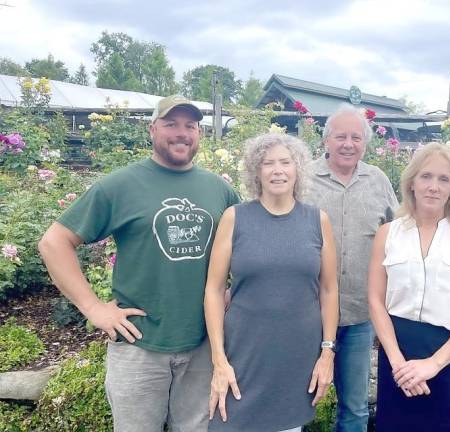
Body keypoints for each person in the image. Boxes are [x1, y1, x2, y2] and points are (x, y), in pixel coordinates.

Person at [38, 95, 240, 431]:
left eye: (190, 126)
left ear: (199, 134)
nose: (182, 133)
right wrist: (94, 308)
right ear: (152, 129)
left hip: (205, 348)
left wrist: (236, 293)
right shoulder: (121, 185)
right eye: (171, 124)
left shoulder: (219, 190)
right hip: (140, 348)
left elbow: (248, 250)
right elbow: (54, 243)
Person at [204, 133, 339, 432]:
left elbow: (329, 290)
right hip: (243, 355)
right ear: (256, 171)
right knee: (228, 420)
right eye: (268, 163)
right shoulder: (235, 218)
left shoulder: (318, 221)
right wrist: (218, 359)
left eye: (285, 162)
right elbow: (213, 290)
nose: (277, 170)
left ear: (298, 169)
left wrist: (327, 352)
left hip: (295, 357)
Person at [368, 143, 450, 431]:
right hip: (397, 356)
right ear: (412, 182)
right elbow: (375, 300)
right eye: (426, 177)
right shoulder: (388, 234)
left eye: (443, 179)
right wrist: (398, 363)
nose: (433, 187)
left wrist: (433, 364)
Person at [305, 104, 398, 432]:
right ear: (326, 140)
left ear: (365, 143)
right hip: (307, 312)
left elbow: (397, 232)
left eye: (355, 137)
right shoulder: (303, 178)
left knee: (355, 407)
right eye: (340, 136)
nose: (348, 144)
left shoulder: (378, 180)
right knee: (297, 400)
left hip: (360, 314)